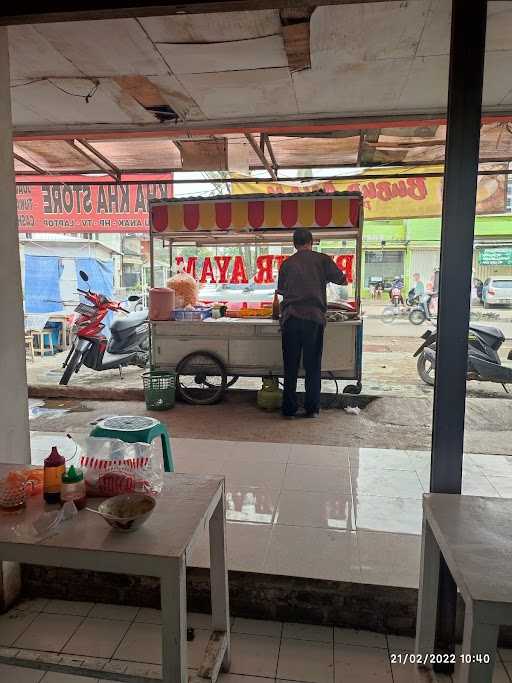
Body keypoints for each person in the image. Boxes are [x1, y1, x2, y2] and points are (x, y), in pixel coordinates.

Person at [277, 228, 347, 419]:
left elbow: (282, 292)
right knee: (312, 365)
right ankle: (312, 409)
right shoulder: (322, 259)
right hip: (313, 320)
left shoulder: (287, 264)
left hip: (291, 319)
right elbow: (342, 280)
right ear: (311, 241)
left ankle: (289, 410)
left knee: (290, 366)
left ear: (294, 244)